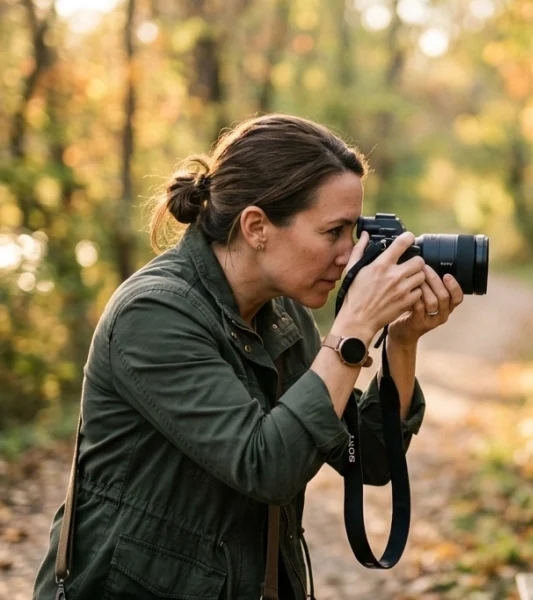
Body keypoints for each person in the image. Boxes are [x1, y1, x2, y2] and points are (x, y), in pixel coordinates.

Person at [33, 114, 464, 599]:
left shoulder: (280, 314)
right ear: (257, 226)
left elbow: (369, 461)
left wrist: (401, 344)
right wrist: (352, 329)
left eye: (355, 231)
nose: (350, 254)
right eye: (334, 232)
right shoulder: (152, 315)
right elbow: (266, 466)